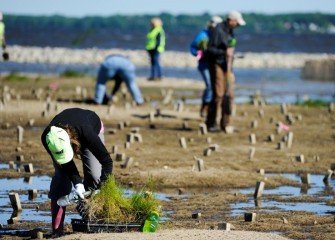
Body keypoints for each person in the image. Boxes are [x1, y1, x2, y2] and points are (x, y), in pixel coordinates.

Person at [41, 108, 113, 236]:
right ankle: (57, 231)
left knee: (94, 176)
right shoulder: (48, 138)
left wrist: (101, 187)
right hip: (68, 133)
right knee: (61, 179)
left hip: (90, 127)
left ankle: (92, 224)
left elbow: (107, 162)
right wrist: (78, 184)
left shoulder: (87, 132)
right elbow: (66, 164)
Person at [205, 11, 246, 132]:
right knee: (218, 94)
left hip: (227, 67)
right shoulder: (218, 30)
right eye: (237, 23)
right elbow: (210, 50)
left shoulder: (230, 32)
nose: (238, 25)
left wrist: (231, 71)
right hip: (216, 64)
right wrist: (224, 53)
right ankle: (211, 123)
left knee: (230, 95)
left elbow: (230, 53)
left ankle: (226, 124)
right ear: (231, 20)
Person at [190, 16, 223, 117]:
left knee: (213, 86)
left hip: (215, 65)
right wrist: (200, 54)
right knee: (209, 85)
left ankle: (209, 106)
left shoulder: (219, 34)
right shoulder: (203, 35)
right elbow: (193, 48)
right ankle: (205, 107)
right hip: (204, 65)